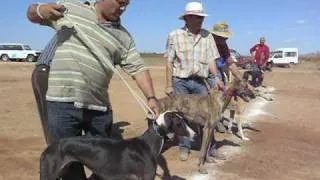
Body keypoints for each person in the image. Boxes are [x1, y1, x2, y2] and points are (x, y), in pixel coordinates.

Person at [27, 0, 160, 179]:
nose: (122, 8)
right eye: (120, 2)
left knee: (106, 168)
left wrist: (151, 97)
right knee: (68, 165)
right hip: (62, 104)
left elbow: (138, 69)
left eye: (126, 5)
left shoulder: (123, 37)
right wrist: (41, 9)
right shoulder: (71, 9)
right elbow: (32, 14)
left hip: (99, 110)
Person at [165, 2, 225, 162]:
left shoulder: (208, 36)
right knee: (182, 117)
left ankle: (211, 149)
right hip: (181, 82)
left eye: (201, 17)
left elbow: (212, 60)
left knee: (210, 117)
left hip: (201, 82)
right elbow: (169, 61)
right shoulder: (174, 35)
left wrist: (217, 77)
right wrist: (168, 84)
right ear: (188, 18)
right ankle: (185, 147)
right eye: (198, 17)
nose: (201, 20)